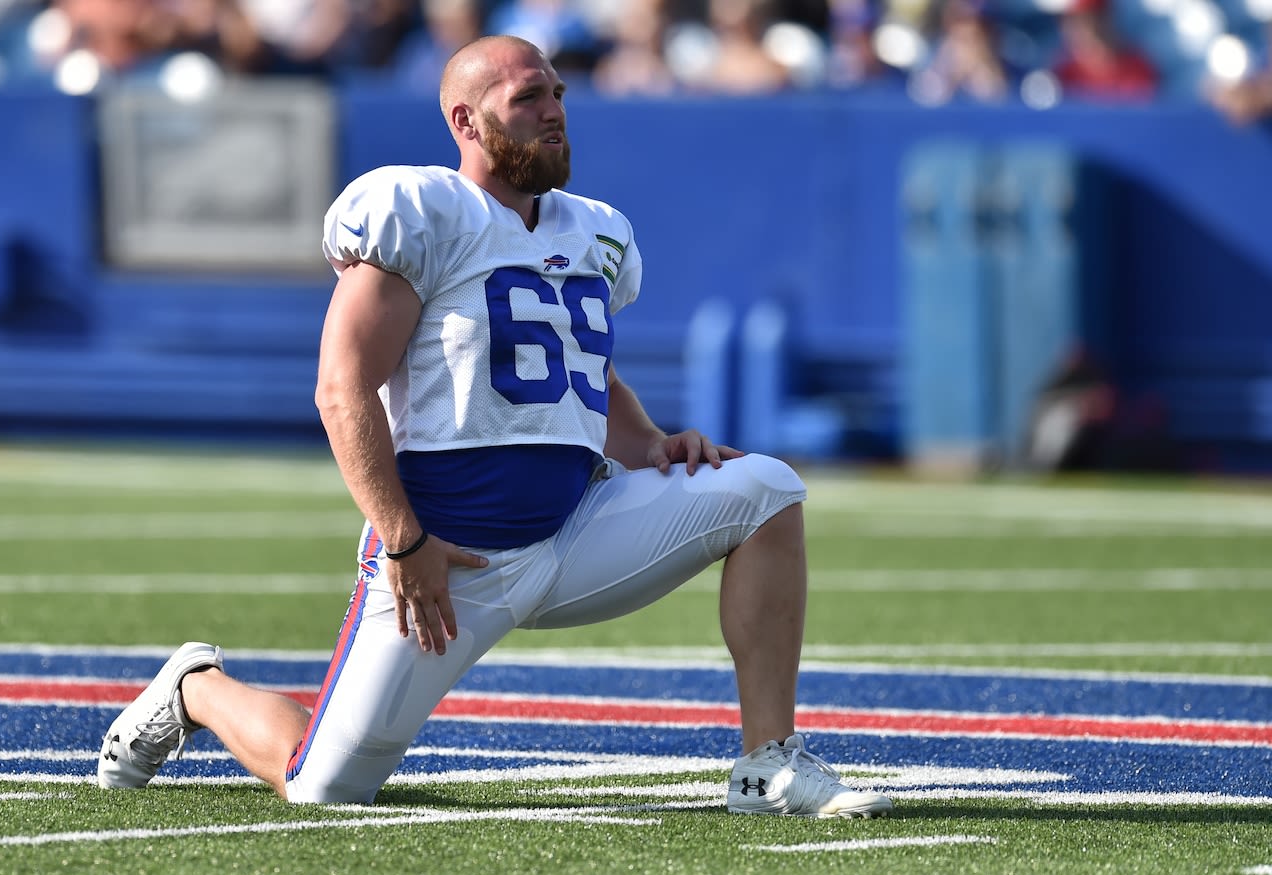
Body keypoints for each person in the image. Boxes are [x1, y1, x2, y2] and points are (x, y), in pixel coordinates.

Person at [95, 34, 893, 820]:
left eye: (557, 95)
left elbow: (577, 367)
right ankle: (196, 687)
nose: (553, 113)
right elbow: (342, 390)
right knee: (323, 786)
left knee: (767, 488)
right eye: (528, 99)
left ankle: (767, 764)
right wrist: (404, 539)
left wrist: (649, 444)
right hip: (449, 559)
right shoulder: (422, 213)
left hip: (576, 529)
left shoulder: (596, 230)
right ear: (466, 123)